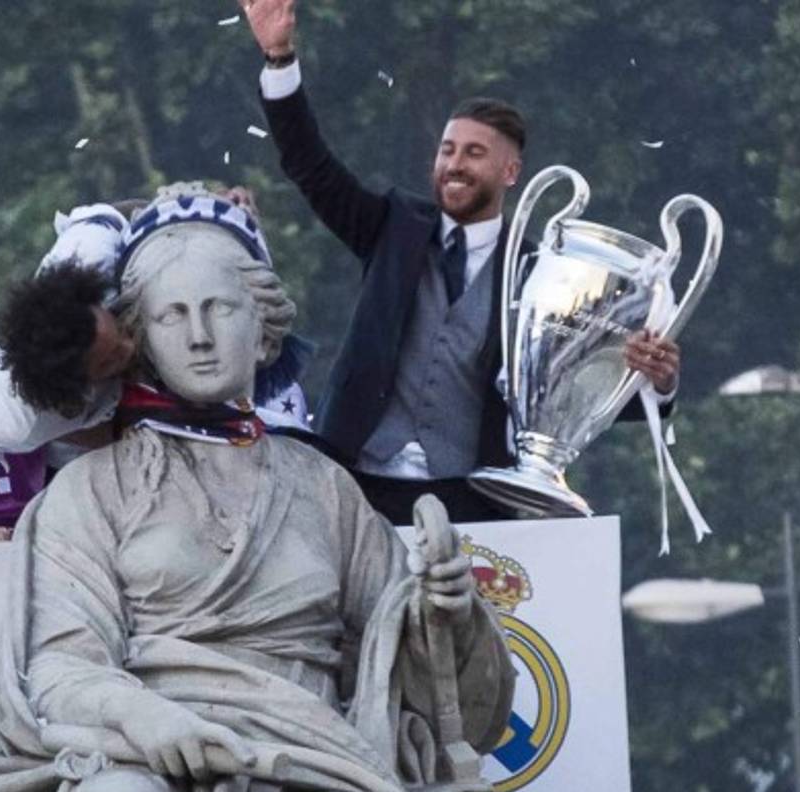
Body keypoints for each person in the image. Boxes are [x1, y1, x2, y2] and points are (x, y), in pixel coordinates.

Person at [0, 188, 514, 792]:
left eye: (220, 308)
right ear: (142, 337)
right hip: (143, 745)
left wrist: (447, 613)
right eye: (171, 316)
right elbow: (58, 667)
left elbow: (414, 680)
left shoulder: (325, 486)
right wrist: (148, 719)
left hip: (313, 748)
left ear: (263, 329)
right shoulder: (85, 488)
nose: (200, 337)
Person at [240, 0, 681, 525]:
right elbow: (308, 164)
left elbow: (576, 394)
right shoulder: (392, 229)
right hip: (359, 487)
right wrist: (279, 57)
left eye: (474, 153)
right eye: (447, 150)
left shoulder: (539, 275)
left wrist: (656, 379)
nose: (454, 164)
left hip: (474, 499)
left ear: (510, 170)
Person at [0, 187, 313, 587]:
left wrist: (199, 211)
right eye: (112, 358)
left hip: (143, 404)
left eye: (117, 330)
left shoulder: (87, 255)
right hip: (74, 444)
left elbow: (129, 214)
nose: (130, 345)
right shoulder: (14, 413)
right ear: (79, 386)